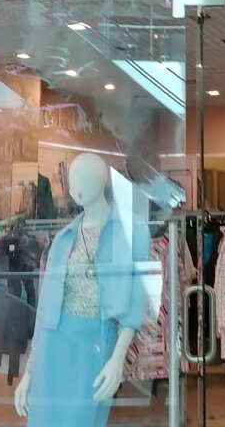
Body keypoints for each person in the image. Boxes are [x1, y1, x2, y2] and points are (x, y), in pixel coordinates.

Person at [13, 153, 147, 427]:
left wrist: (117, 358)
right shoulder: (64, 238)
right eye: (70, 179)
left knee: (83, 419)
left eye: (78, 178)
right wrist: (29, 373)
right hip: (53, 344)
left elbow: (136, 301)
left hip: (95, 343)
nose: (71, 186)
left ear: (99, 182)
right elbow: (45, 312)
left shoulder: (132, 230)